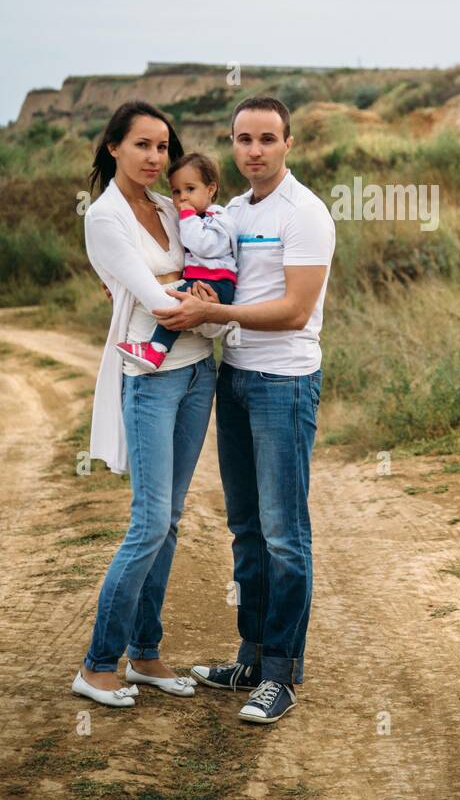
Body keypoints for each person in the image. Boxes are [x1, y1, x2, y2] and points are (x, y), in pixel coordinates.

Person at [152, 96, 336, 724]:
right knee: (246, 529)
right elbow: (196, 261)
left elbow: (293, 311)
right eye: (242, 139)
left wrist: (215, 314)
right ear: (232, 146)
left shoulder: (305, 213)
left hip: (283, 383)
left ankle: (281, 674)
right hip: (232, 376)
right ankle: (251, 658)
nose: (254, 149)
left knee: (285, 534)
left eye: (266, 138)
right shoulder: (231, 210)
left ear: (289, 143)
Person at [71, 101, 223, 709]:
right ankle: (97, 663)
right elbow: (151, 296)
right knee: (149, 521)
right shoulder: (106, 218)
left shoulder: (168, 206)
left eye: (163, 147)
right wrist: (198, 294)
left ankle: (147, 652)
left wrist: (195, 290)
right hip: (151, 377)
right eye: (142, 146)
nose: (156, 159)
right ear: (114, 147)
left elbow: (212, 264)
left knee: (172, 520)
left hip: (196, 375)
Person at [115, 151, 237, 372]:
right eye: (176, 191)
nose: (182, 197)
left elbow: (203, 245)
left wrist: (188, 217)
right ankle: (156, 348)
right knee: (177, 301)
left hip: (217, 283)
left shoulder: (218, 216)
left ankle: (156, 349)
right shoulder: (192, 218)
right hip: (204, 281)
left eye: (190, 189)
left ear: (211, 189)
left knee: (176, 306)